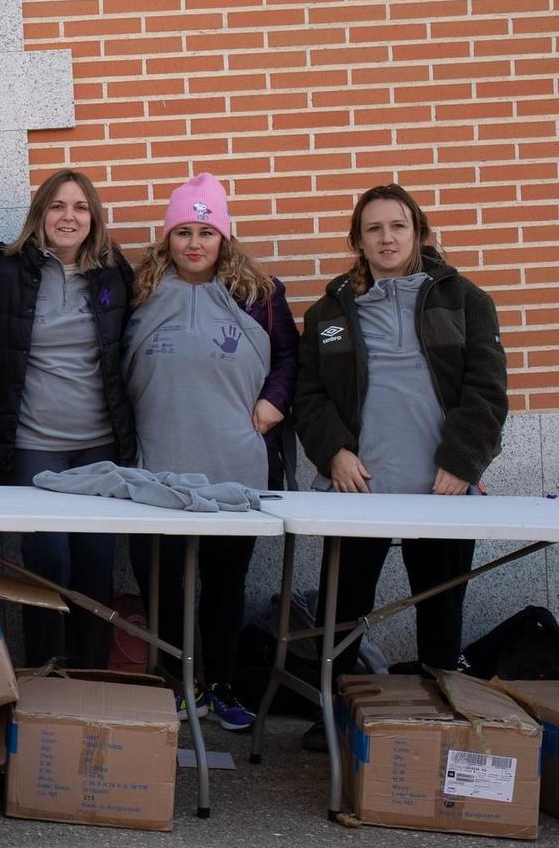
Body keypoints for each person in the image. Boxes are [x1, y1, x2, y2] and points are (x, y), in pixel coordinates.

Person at [295, 183, 506, 738]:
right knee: (342, 610)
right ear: (357, 241)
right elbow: (309, 396)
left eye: (398, 227)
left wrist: (463, 463)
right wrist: (334, 453)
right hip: (358, 490)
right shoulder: (328, 313)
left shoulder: (465, 300)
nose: (387, 238)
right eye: (374, 229)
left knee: (440, 611)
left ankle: (445, 717)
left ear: (419, 234)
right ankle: (331, 716)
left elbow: (487, 389)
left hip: (443, 491)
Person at [123, 173, 294, 731]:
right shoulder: (139, 292)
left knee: (224, 580)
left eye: (206, 231)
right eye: (183, 232)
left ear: (224, 238)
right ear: (166, 239)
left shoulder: (261, 295)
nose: (194, 243)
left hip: (233, 465)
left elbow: (291, 360)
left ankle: (220, 683)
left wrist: (272, 402)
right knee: (161, 577)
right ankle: (176, 682)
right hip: (156, 465)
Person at [0, 170, 135, 669]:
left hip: (98, 445)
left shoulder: (114, 274)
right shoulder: (4, 272)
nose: (69, 217)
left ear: (94, 218)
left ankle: (90, 677)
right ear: (40, 214)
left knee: (94, 562)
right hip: (32, 443)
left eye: (81, 207)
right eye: (58, 206)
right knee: (47, 561)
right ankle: (46, 670)